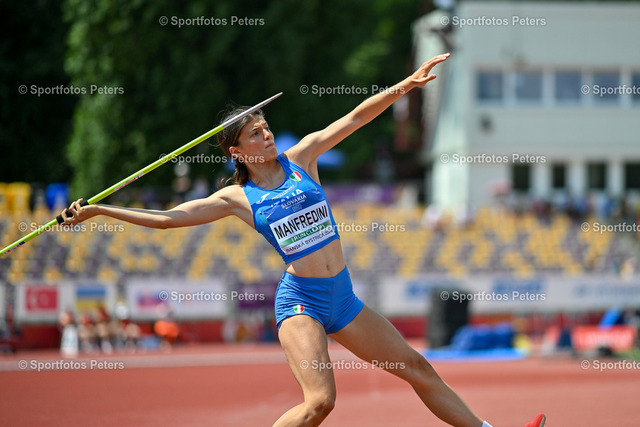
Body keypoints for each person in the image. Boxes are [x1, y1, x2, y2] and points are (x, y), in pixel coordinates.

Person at [61, 53, 545, 427]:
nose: (267, 135)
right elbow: (168, 220)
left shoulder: (302, 158)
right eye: (256, 134)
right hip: (301, 303)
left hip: (344, 298)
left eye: (266, 127)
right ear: (237, 151)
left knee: (416, 366)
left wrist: (405, 86)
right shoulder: (237, 198)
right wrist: (101, 209)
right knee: (320, 403)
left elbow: (354, 118)